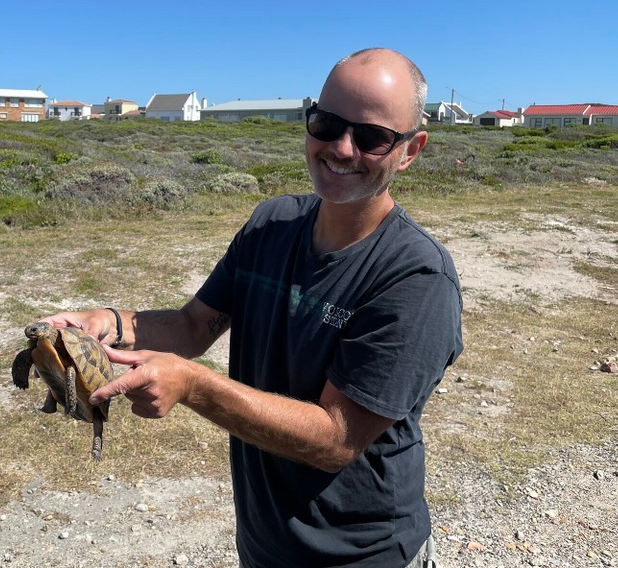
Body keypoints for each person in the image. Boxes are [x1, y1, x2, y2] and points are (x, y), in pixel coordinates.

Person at [41, 48, 462, 568]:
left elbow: (336, 439)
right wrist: (111, 323)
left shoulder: (415, 277)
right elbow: (193, 325)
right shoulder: (272, 224)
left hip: (360, 554)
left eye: (372, 136)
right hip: (265, 543)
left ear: (411, 149)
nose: (341, 147)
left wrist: (192, 385)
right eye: (327, 123)